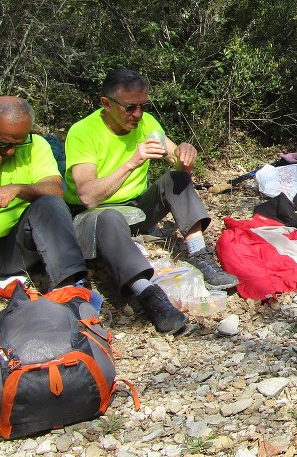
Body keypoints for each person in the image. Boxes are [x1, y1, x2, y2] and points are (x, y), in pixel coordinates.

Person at [0, 96, 185, 334]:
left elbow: (55, 190)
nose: (10, 151)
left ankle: (73, 294)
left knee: (52, 204)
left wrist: (18, 189)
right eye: (2, 144)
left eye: (19, 143)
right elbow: (87, 193)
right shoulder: (85, 131)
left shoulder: (35, 146)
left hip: (20, 244)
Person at [64, 69, 238, 298]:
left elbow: (177, 161)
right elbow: (88, 196)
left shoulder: (146, 123)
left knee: (176, 179)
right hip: (96, 217)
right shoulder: (83, 132)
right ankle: (142, 292)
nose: (138, 114)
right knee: (108, 216)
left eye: (143, 106)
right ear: (106, 103)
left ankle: (199, 254)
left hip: (135, 210)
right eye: (130, 107)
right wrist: (132, 162)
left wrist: (185, 157)